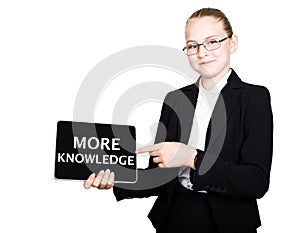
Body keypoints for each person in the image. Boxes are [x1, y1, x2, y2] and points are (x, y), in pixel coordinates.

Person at [83, 8, 273, 233]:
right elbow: (158, 176)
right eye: (193, 45)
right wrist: (117, 179)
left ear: (232, 43)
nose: (202, 53)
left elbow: (255, 181)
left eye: (212, 42)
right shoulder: (176, 99)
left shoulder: (254, 98)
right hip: (174, 218)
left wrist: (192, 157)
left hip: (229, 222)